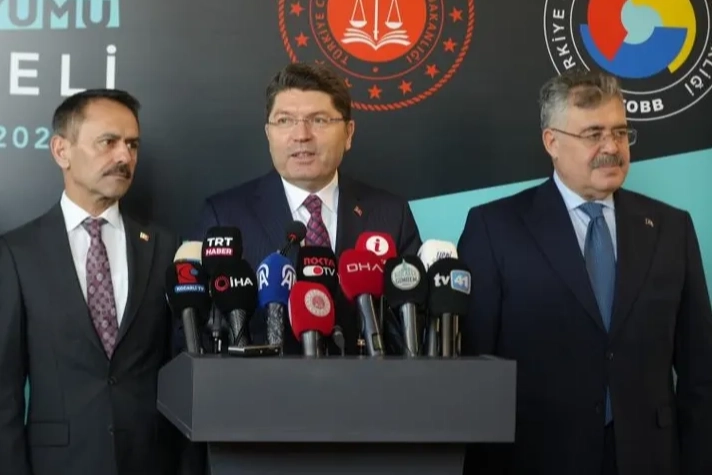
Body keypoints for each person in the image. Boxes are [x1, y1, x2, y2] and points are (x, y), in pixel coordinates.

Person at [457, 69, 712, 475]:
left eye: (620, 132)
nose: (612, 147)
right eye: (593, 134)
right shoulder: (494, 229)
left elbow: (701, 371)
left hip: (651, 458)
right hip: (537, 459)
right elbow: (474, 372)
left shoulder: (671, 228)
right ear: (552, 142)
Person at [0, 89, 188, 475]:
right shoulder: (18, 253)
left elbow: (179, 371)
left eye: (132, 145)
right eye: (108, 142)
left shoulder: (163, 247)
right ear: (61, 151)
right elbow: (4, 389)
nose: (124, 157)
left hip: (149, 461)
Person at [192, 62, 422, 354]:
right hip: (260, 382)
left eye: (319, 120)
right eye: (285, 120)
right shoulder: (224, 216)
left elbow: (411, 330)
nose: (301, 135)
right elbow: (198, 333)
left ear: (348, 133)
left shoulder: (390, 215)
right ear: (268, 134)